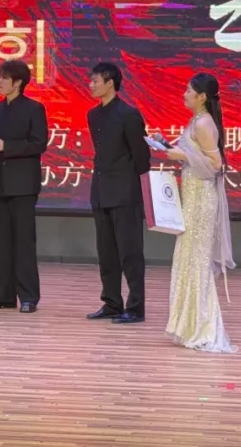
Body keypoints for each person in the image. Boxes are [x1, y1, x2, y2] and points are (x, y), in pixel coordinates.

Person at [152, 72, 237, 353]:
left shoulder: (203, 123)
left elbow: (216, 164)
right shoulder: (197, 121)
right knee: (189, 259)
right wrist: (168, 146)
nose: (184, 94)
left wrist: (184, 155)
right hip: (193, 198)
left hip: (201, 201)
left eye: (189, 91)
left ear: (202, 96)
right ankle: (190, 325)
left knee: (196, 261)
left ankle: (203, 328)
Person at [0, 58, 48, 313]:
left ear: (18, 82)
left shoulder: (34, 109)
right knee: (1, 241)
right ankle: (4, 294)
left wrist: (5, 145)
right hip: (0, 184)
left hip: (24, 185)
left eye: (4, 78)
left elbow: (39, 143)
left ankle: (28, 296)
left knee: (23, 242)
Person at [85, 62, 151, 324]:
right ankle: (111, 302)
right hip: (101, 191)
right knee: (106, 252)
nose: (91, 85)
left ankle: (135, 307)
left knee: (130, 252)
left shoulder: (128, 114)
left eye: (95, 81)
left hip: (125, 193)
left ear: (110, 83)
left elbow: (142, 157)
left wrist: (134, 187)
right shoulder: (93, 115)